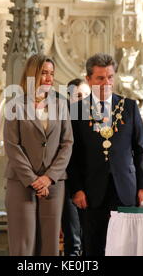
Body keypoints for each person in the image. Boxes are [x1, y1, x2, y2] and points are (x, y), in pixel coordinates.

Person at [67, 53, 143, 256]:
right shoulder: (76, 110)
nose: (107, 82)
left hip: (125, 189)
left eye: (110, 77)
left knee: (125, 248)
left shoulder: (129, 107)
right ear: (88, 79)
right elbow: (72, 155)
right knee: (93, 248)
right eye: (100, 78)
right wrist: (76, 189)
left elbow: (142, 150)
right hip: (90, 192)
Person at [4, 54, 73, 256]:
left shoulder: (60, 105)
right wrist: (33, 180)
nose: (49, 78)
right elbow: (12, 146)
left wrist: (48, 178)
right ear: (32, 74)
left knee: (49, 245)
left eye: (51, 73)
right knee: (23, 244)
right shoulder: (14, 105)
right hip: (21, 183)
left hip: (54, 185)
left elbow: (67, 143)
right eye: (44, 73)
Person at [62, 78, 90, 256]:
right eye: (78, 96)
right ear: (69, 98)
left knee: (92, 241)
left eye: (87, 95)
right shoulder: (63, 121)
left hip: (93, 188)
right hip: (69, 186)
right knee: (74, 242)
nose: (83, 100)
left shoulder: (96, 123)